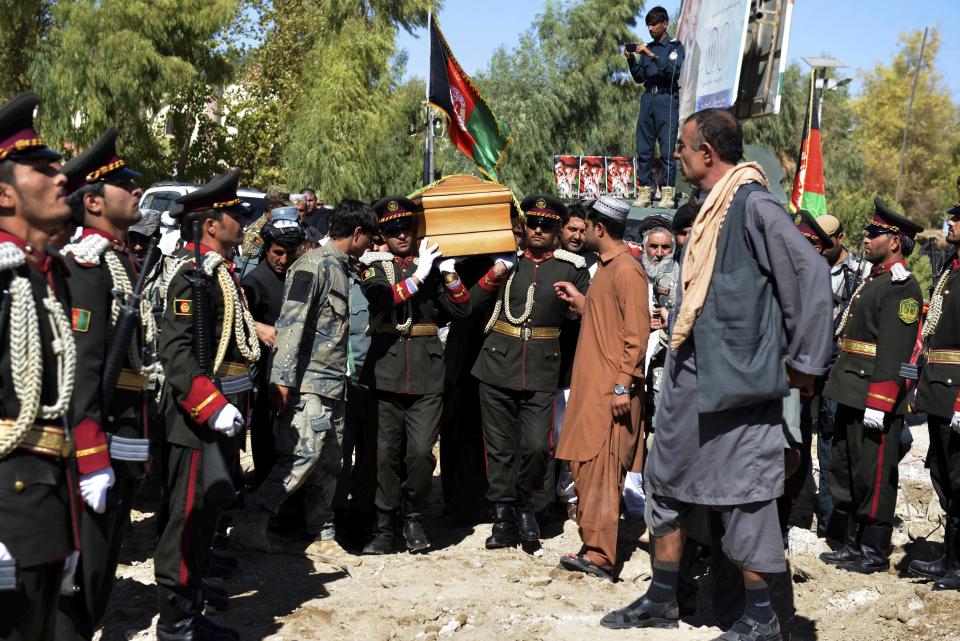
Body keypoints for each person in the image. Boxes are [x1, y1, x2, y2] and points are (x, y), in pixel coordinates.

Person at [601, 109, 831, 640]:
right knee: (665, 481)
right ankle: (663, 595)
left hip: (738, 383)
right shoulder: (710, 208)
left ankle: (761, 615)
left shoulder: (752, 203)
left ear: (708, 152)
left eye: (683, 146)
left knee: (746, 493)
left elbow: (810, 273)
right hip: (690, 377)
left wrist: (803, 365)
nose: (676, 154)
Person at [236, 199, 377, 566]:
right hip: (308, 385)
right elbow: (292, 324)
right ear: (357, 232)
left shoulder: (343, 268)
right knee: (301, 456)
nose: (371, 245)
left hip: (333, 384)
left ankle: (321, 534)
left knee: (330, 462)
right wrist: (280, 379)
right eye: (369, 237)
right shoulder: (313, 268)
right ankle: (253, 521)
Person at [153, 168, 260, 641]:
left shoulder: (217, 271)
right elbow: (175, 352)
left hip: (217, 411)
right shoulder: (192, 277)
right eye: (234, 214)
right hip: (194, 421)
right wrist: (211, 405)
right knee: (186, 522)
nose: (242, 221)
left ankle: (191, 607)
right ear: (211, 224)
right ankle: (176, 624)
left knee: (208, 513)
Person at [56, 127, 152, 641]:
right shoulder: (85, 266)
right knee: (80, 577)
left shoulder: (120, 259)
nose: (136, 191)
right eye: (125, 185)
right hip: (94, 435)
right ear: (92, 200)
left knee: (104, 561)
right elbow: (82, 370)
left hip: (125, 426)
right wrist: (92, 457)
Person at [0, 91, 85, 641]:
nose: (60, 177)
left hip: (45, 507)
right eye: (41, 169)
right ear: (3, 194)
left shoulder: (36, 279)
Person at [469, 193, 590, 549]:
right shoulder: (507, 261)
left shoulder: (572, 268)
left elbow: (588, 314)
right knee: (500, 448)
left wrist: (577, 305)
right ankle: (504, 514)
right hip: (496, 363)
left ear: (557, 231)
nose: (538, 230)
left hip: (541, 367)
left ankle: (526, 505)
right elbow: (472, 304)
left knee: (538, 447)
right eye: (533, 224)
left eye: (547, 226)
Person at [358, 196, 470, 554]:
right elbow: (381, 300)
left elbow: (461, 308)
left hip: (426, 371)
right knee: (384, 453)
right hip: (386, 371)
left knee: (421, 453)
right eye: (392, 230)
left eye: (406, 228)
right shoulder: (374, 264)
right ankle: (383, 523)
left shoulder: (433, 265)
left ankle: (413, 514)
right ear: (383, 235)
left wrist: (447, 271)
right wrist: (421, 273)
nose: (401, 235)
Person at [820, 198, 923, 575]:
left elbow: (896, 350)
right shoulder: (875, 279)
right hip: (851, 388)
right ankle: (852, 543)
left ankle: (873, 551)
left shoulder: (902, 286)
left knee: (874, 474)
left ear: (894, 241)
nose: (867, 237)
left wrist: (880, 402)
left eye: (875, 232)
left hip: (873, 395)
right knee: (846, 468)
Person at [554, 195, 650, 581]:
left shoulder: (627, 271)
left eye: (586, 225)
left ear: (599, 228)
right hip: (592, 389)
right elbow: (606, 319)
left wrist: (622, 386)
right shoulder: (606, 270)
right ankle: (593, 543)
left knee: (602, 470)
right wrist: (580, 302)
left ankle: (600, 556)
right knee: (585, 464)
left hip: (610, 393)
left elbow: (636, 337)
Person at [908, 201, 960, 591]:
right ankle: (950, 557)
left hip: (956, 391)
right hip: (940, 388)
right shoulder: (949, 270)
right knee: (943, 475)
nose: (951, 223)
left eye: (958, 219)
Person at [811, 214, 870, 537]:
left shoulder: (861, 271)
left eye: (827, 241)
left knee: (832, 441)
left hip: (841, 363)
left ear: (842, 237)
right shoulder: (809, 263)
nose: (821, 247)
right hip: (812, 361)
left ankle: (832, 521)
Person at [535, 204, 592, 520]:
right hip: (544, 367)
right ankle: (540, 499)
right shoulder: (545, 265)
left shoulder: (588, 267)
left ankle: (568, 496)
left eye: (583, 230)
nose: (578, 236)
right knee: (543, 440)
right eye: (573, 229)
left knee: (569, 437)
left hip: (574, 367)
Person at [241, 214, 306, 485]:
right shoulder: (255, 281)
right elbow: (239, 320)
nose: (283, 259)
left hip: (299, 367)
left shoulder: (300, 273)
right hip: (267, 369)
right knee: (266, 429)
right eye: (278, 253)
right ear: (267, 249)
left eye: (290, 253)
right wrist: (260, 328)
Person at [627, 5, 684, 209]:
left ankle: (668, 193)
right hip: (648, 99)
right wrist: (632, 60)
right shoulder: (646, 48)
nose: (650, 28)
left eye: (653, 24)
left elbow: (673, 71)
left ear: (665, 24)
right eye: (648, 25)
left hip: (666, 99)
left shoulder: (675, 47)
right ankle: (645, 192)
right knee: (644, 149)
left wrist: (651, 55)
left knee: (667, 150)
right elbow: (640, 77)